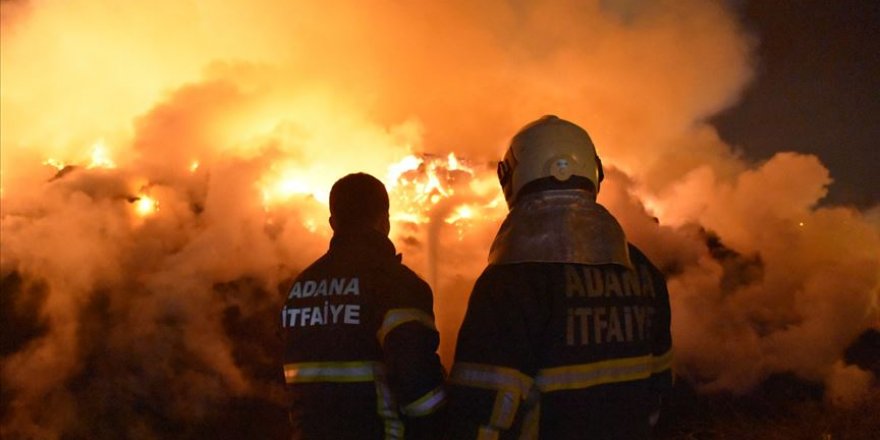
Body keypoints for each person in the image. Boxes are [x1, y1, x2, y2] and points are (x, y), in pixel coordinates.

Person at [447, 116, 673, 439]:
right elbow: (659, 393)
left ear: (512, 178)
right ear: (596, 173)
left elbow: (482, 412)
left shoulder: (509, 283)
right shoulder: (643, 272)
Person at [280, 173, 446, 440]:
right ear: (385, 222)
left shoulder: (301, 287)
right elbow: (419, 388)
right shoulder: (395, 283)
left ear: (333, 223)